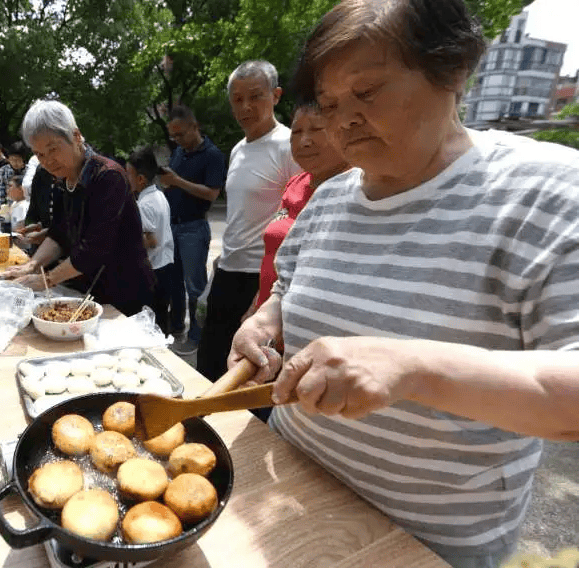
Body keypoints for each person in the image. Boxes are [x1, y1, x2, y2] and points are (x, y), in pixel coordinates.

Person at [229, 1, 579, 566]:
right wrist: (269, 319)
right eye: (330, 103)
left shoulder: (549, 194)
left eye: (367, 94)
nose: (343, 121)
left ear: (454, 70)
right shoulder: (332, 196)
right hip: (287, 511)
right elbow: (287, 285)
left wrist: (412, 365)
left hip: (418, 548)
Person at [196, 60, 300, 382]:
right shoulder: (238, 149)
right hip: (227, 270)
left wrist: (265, 295)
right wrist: (220, 262)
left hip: (260, 280)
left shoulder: (290, 145)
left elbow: (296, 220)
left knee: (246, 376)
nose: (246, 107)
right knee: (209, 365)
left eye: (255, 96)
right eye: (237, 99)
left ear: (276, 96)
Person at [5, 99, 154, 316]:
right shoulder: (62, 179)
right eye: (39, 155)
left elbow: (94, 249)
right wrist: (32, 265)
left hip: (124, 293)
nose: (47, 161)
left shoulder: (108, 177)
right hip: (89, 290)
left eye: (52, 149)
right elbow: (60, 232)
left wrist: (45, 280)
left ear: (75, 136)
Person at [252, 103, 349, 312]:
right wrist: (256, 306)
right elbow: (273, 257)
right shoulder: (294, 184)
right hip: (268, 318)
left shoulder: (358, 189)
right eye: (296, 132)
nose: (304, 141)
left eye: (316, 130)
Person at [159, 105, 226, 353]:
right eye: (173, 136)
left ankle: (197, 337)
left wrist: (177, 181)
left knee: (195, 286)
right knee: (173, 282)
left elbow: (211, 193)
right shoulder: (179, 152)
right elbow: (176, 186)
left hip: (193, 229)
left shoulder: (212, 155)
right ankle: (175, 327)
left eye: (180, 134)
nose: (177, 140)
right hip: (172, 227)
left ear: (194, 127)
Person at [126, 146, 175, 334]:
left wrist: (127, 241)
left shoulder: (143, 204)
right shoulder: (159, 195)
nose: (125, 177)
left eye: (128, 173)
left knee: (150, 322)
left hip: (153, 271)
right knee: (161, 319)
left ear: (140, 179)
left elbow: (151, 240)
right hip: (166, 265)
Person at [0, 141, 28, 208]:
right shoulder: (3, 171)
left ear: (23, 159)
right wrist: (1, 209)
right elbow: (0, 192)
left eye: (17, 160)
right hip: (10, 207)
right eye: (12, 160)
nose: (15, 163)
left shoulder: (29, 171)